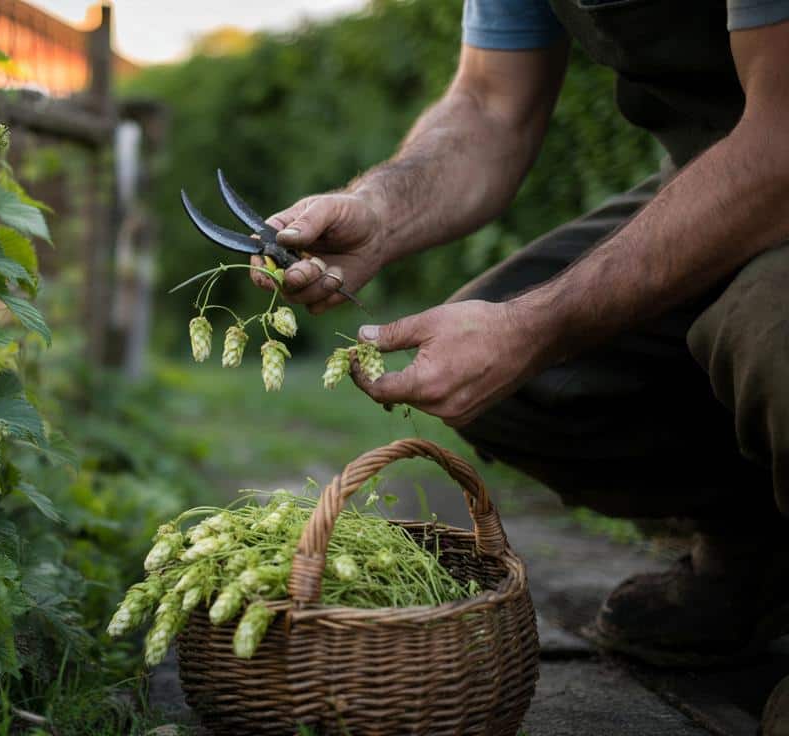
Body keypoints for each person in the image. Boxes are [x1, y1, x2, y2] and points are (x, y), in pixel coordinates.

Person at [250, 0, 789, 677]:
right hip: (707, 177)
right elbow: (488, 104)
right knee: (523, 385)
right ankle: (761, 546)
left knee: (772, 333)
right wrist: (378, 211)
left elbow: (781, 139)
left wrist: (536, 326)